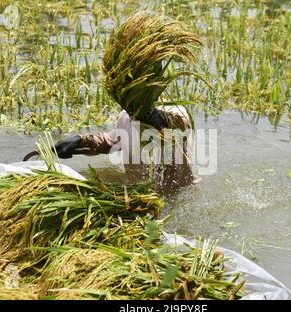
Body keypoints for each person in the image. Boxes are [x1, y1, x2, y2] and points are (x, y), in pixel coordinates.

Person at [53, 12, 202, 191]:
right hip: (136, 197)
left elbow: (181, 125)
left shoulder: (175, 112)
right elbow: (111, 142)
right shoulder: (126, 117)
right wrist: (79, 142)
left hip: (175, 199)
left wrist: (157, 118)